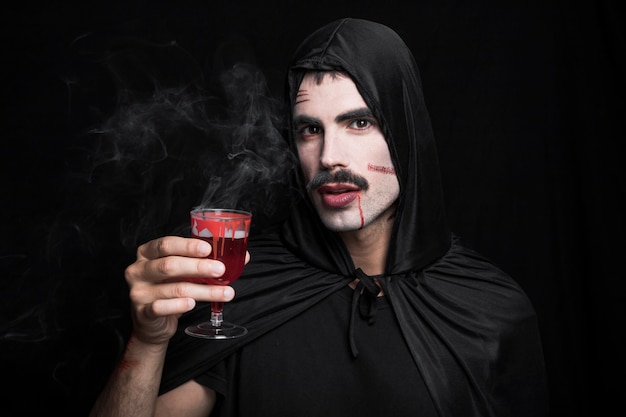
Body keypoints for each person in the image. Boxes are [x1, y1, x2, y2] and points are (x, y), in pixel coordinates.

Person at [89, 17, 548, 417]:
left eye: (360, 122)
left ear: (406, 132)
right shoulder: (235, 289)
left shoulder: (490, 309)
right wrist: (146, 345)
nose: (329, 157)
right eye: (310, 129)